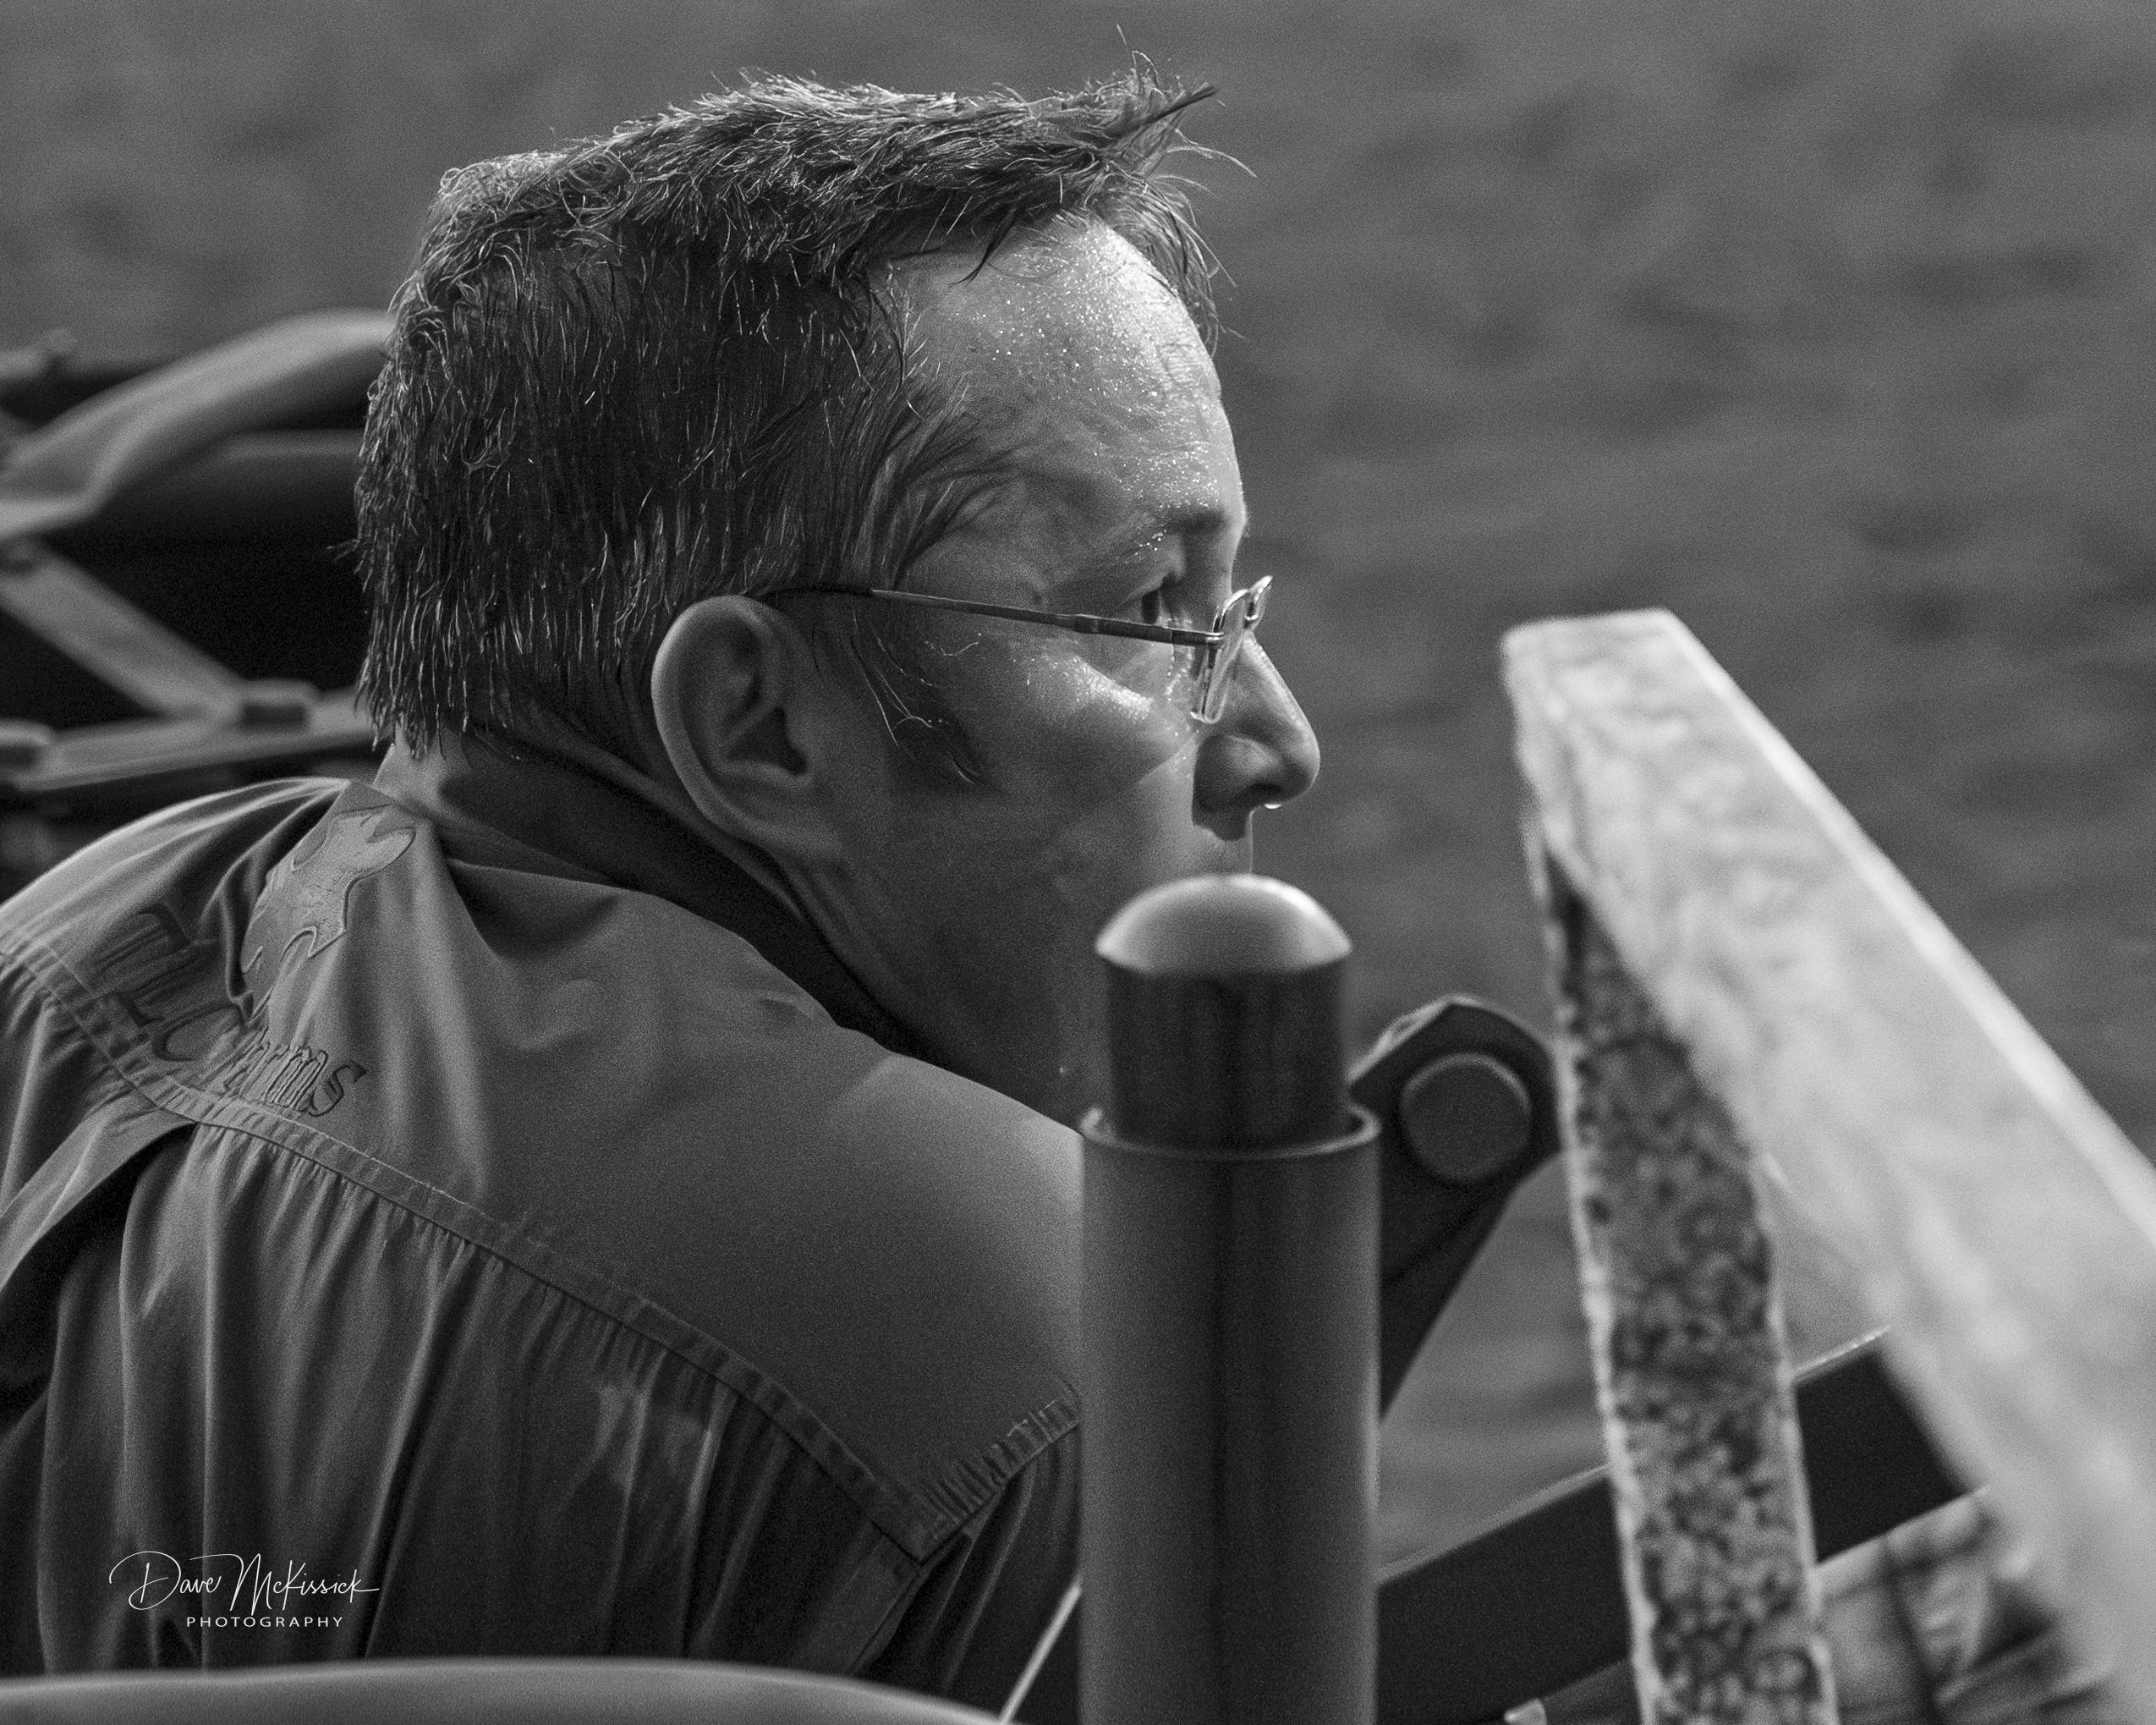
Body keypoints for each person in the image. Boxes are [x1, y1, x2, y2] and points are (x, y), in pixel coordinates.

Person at [0, 69, 2120, 1725]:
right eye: (1148, 614)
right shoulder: (1014, 1331)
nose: (1276, 737)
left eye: (1232, 600)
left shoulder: (77, 938)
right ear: (757, 725)